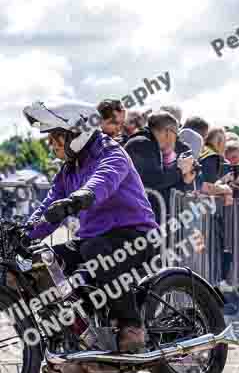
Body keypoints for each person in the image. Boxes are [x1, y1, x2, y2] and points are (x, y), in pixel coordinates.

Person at [23, 100, 158, 353]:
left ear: (77, 132)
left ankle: (131, 324)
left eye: (56, 138)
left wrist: (79, 198)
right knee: (41, 261)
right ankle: (71, 331)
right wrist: (23, 233)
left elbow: (103, 179)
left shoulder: (111, 152)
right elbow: (47, 208)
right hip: (91, 239)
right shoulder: (68, 170)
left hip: (136, 235)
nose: (52, 145)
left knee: (95, 249)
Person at [124, 111, 197, 224]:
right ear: (168, 132)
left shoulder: (152, 145)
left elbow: (163, 186)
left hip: (144, 218)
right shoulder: (140, 144)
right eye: (176, 135)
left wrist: (184, 180)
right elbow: (153, 181)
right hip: (132, 220)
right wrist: (180, 169)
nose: (177, 141)